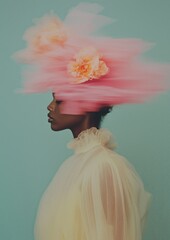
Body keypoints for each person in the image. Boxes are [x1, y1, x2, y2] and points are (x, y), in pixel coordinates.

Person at [14, 3, 169, 240]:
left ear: (86, 103)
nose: (50, 106)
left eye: (60, 100)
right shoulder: (76, 166)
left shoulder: (104, 168)